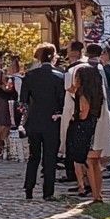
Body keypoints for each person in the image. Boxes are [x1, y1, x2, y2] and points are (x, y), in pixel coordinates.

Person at [20, 43, 65, 201]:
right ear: (53, 57)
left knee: (34, 156)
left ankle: (29, 188)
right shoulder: (60, 76)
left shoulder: (30, 76)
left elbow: (23, 101)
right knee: (50, 157)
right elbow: (62, 100)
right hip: (52, 120)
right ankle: (48, 192)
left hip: (34, 120)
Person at [66, 63, 110, 202]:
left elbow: (83, 112)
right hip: (98, 130)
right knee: (96, 164)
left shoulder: (83, 94)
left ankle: (95, 195)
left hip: (87, 131)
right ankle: (98, 193)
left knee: (90, 163)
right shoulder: (99, 93)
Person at [59, 39, 85, 179]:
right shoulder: (91, 66)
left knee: (71, 140)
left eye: (69, 50)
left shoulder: (72, 69)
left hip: (73, 108)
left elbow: (70, 90)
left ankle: (73, 173)